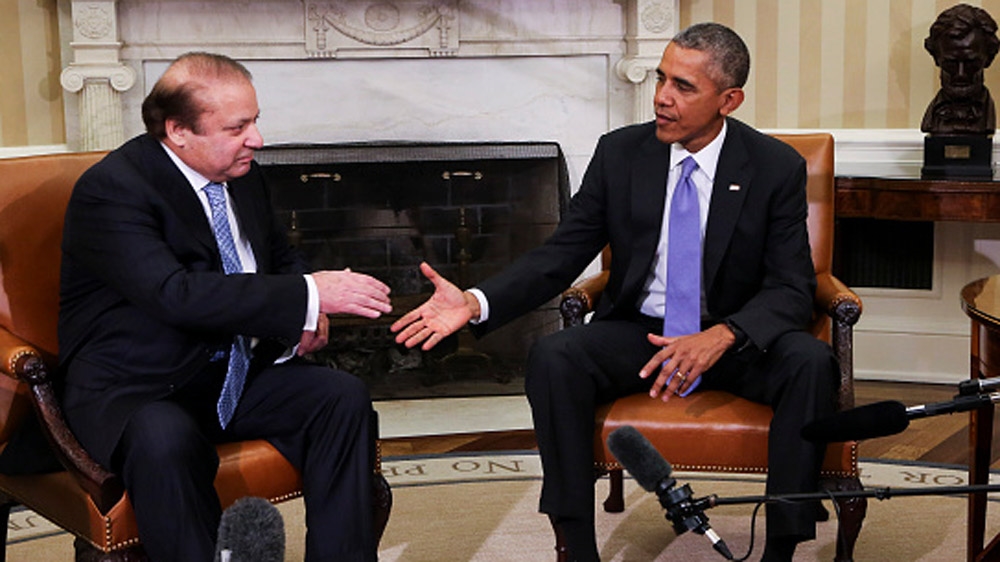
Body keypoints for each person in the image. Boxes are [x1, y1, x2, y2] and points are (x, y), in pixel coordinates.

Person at [392, 22, 838, 562]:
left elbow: (792, 286)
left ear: (729, 99)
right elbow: (561, 253)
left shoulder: (772, 167)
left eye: (683, 87)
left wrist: (723, 335)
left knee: (811, 361)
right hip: (641, 333)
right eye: (661, 78)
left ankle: (781, 549)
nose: (662, 97)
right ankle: (576, 544)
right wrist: (476, 301)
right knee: (555, 356)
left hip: (733, 341)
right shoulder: (621, 154)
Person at [56, 52, 392, 562]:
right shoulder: (114, 190)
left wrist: (305, 309)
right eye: (238, 127)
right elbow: (174, 293)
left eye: (255, 121)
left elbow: (278, 255)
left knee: (339, 398)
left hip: (231, 371)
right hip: (143, 383)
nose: (256, 139)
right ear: (178, 130)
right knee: (164, 440)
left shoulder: (243, 174)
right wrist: (309, 294)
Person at [921, 3, 1000, 135]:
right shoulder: (932, 118)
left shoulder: (987, 114)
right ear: (936, 58)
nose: (960, 74)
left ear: (989, 59)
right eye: (950, 64)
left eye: (971, 63)